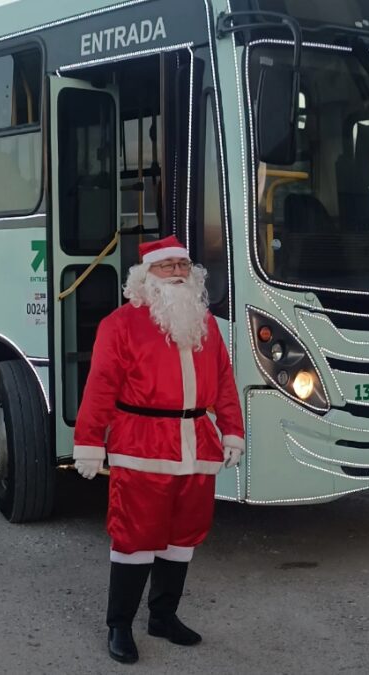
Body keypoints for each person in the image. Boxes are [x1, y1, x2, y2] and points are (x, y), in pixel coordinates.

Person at [73, 235, 245, 665]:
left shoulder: (203, 322)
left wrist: (232, 431)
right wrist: (90, 442)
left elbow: (224, 381)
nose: (177, 273)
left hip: (195, 445)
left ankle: (163, 617)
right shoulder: (120, 325)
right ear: (145, 275)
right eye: (166, 267)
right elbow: (100, 389)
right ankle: (120, 625)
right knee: (136, 537)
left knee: (182, 536)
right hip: (142, 445)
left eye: (182, 266)